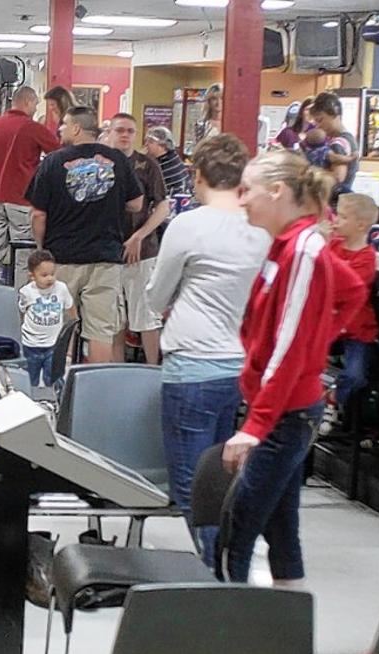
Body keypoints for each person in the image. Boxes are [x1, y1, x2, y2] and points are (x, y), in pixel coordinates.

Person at [222, 150, 368, 584]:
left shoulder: (303, 250)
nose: (242, 199)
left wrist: (254, 426)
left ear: (277, 190)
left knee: (237, 525)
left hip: (283, 416)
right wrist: (315, 341)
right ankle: (291, 628)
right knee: (280, 529)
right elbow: (350, 291)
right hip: (284, 408)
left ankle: (224, 633)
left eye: (247, 190)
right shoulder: (288, 245)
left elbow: (288, 346)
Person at [145, 133, 272, 567]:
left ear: (198, 175)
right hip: (242, 368)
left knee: (192, 484)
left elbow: (155, 297)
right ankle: (232, 561)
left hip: (191, 366)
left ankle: (218, 571)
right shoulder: (262, 228)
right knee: (229, 476)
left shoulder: (188, 225)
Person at [27, 106, 143, 364]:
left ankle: (60, 386)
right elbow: (136, 204)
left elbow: (38, 215)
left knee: (61, 326)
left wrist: (40, 248)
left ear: (77, 128)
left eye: (64, 124)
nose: (60, 129)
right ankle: (95, 393)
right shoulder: (118, 160)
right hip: (106, 259)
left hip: (62, 258)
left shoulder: (54, 162)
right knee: (101, 331)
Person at [107, 113, 171, 366]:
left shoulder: (147, 165)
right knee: (113, 319)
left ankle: (152, 370)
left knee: (147, 316)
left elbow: (162, 206)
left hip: (142, 251)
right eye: (120, 130)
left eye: (130, 131)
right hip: (108, 251)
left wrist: (139, 236)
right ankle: (115, 372)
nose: (125, 135)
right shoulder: (100, 164)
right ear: (110, 132)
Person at [0, 86, 61, 279]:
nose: (36, 109)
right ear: (28, 102)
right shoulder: (32, 128)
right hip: (20, 200)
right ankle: (19, 302)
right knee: (23, 257)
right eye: (36, 104)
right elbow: (58, 155)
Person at [319, 193, 379, 435]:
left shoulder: (366, 258)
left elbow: (344, 286)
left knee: (356, 375)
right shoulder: (332, 245)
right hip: (328, 326)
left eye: (343, 217)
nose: (336, 221)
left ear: (361, 225)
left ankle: (332, 399)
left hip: (356, 330)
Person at [18, 250, 75, 389]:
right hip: (31, 345)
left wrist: (70, 337)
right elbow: (21, 313)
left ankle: (56, 404)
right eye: (44, 275)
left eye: (52, 274)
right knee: (31, 380)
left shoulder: (61, 288)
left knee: (54, 379)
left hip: (54, 345)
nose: (50, 278)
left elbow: (71, 309)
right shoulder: (26, 292)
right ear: (32, 276)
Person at [309, 92, 360, 205]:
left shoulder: (339, 143)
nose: (318, 126)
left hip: (333, 202)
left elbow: (338, 177)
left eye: (320, 120)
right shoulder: (348, 138)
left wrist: (311, 173)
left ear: (335, 114)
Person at [144, 126, 191, 196]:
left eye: (151, 142)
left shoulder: (165, 166)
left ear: (163, 145)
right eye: (146, 141)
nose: (146, 144)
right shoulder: (173, 157)